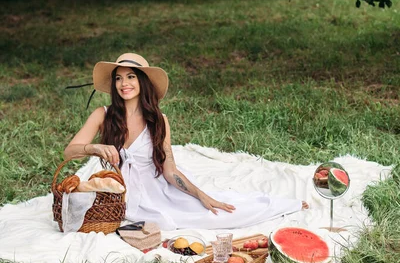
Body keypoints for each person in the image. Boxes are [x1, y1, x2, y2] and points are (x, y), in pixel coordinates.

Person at [64, 53, 309, 230]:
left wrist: (200, 194)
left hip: (156, 190)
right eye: (118, 79)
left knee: (211, 213)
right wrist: (94, 147)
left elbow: (170, 170)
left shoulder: (159, 120)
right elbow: (69, 152)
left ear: (142, 82)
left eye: (130, 77)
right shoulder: (103, 114)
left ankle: (283, 205)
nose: (123, 84)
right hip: (116, 191)